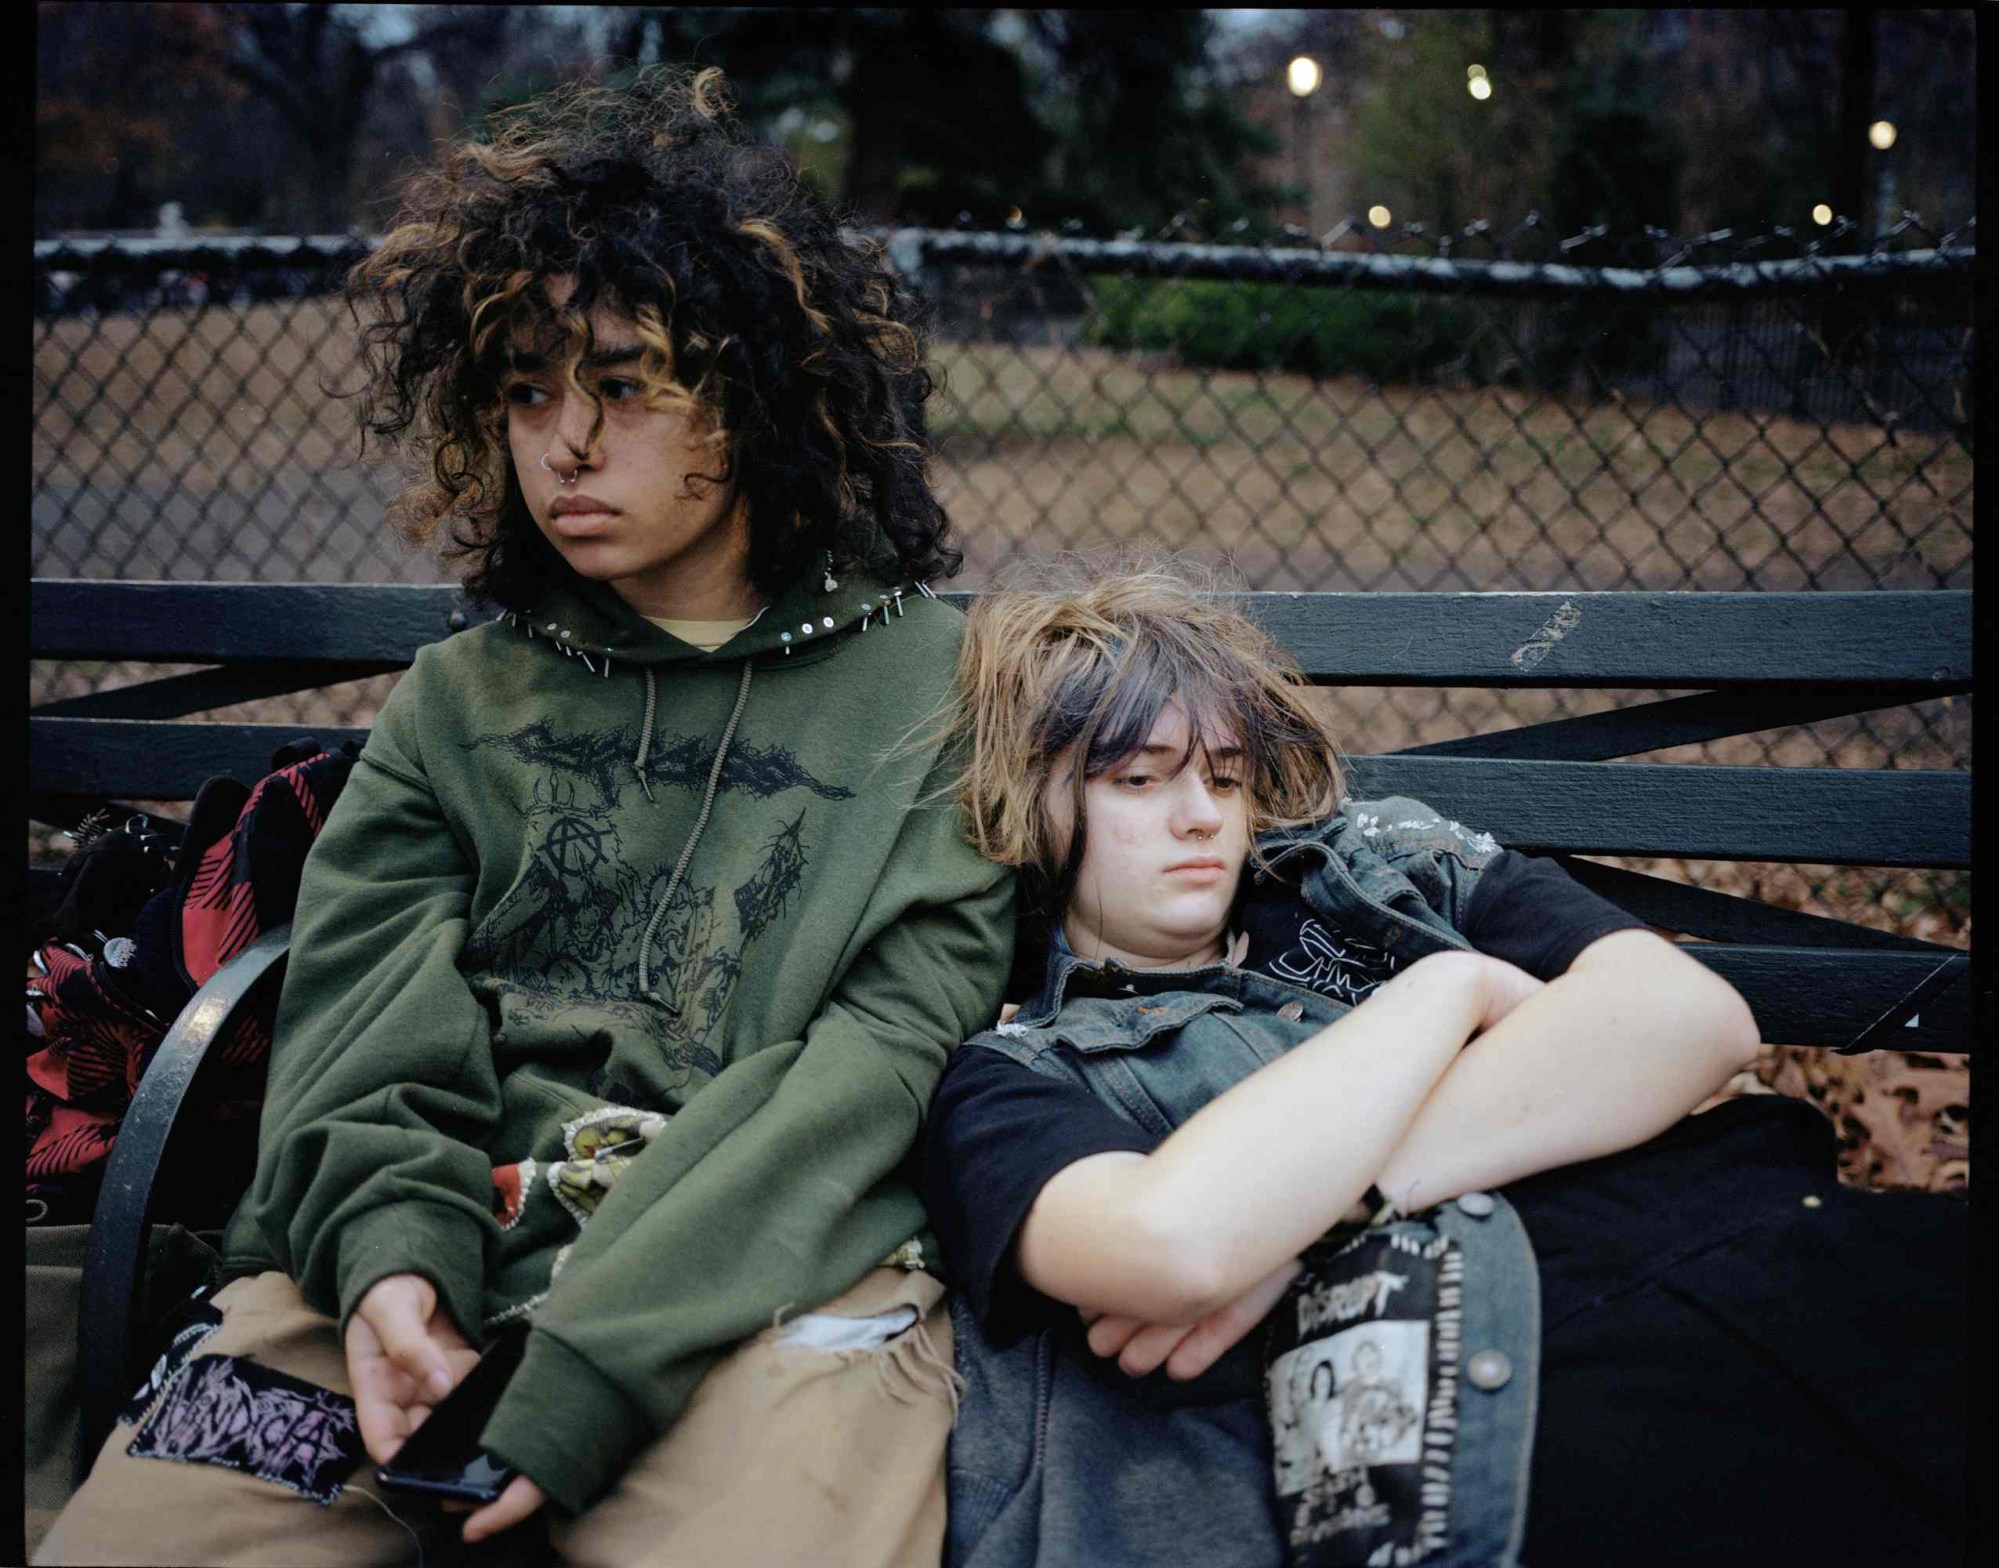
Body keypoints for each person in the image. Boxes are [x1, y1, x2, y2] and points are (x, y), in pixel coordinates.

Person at [41, 66, 1014, 1567]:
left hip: (761, 1284)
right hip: (403, 1267)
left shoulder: (933, 696)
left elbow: (870, 1087)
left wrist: (584, 1371)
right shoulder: (458, 701)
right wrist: (386, 1274)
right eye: (525, 392)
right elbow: (364, 1036)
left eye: (625, 386)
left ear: (759, 398)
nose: (563, 442)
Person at [921, 562, 1966, 1568]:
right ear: (1032, 803)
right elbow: (1169, 1243)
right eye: (1138, 778)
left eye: (1224, 774)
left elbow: (1691, 1016)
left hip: (1779, 1243)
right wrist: (1447, 991)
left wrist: (1319, 1213)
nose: (1200, 814)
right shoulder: (1017, 1079)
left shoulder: (1386, 868)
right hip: (1556, 1399)